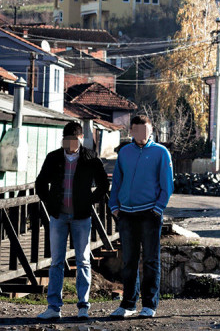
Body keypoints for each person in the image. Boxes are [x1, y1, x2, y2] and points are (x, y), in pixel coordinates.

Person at [34, 122, 110, 320]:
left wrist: (89, 202)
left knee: (83, 260)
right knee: (56, 261)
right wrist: (50, 204)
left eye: (73, 140)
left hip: (81, 216)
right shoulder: (54, 157)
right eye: (66, 140)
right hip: (58, 216)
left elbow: (103, 185)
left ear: (80, 139)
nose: (70, 144)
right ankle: (53, 307)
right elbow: (40, 183)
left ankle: (83, 306)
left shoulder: (90, 158)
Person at [109, 115, 173, 319]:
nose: (141, 135)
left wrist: (158, 208)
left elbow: (167, 185)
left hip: (150, 213)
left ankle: (149, 305)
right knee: (128, 260)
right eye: (137, 131)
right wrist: (114, 206)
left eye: (145, 131)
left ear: (151, 130)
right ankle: (128, 304)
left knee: (151, 260)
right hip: (126, 214)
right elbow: (117, 181)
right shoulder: (124, 152)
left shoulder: (161, 153)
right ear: (131, 132)